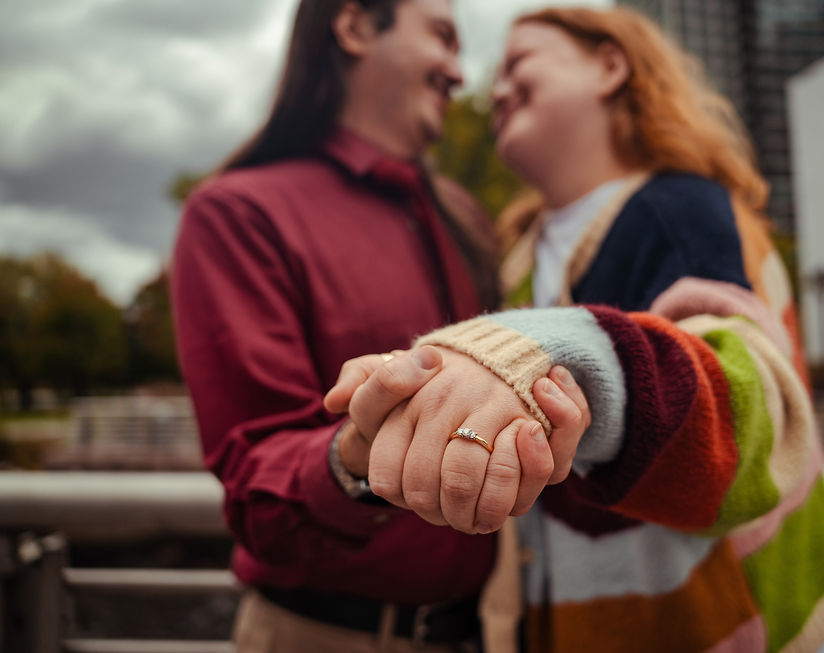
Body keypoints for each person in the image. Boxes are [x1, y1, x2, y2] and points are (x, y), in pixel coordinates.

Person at [326, 7, 824, 653]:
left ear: (610, 66)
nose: (492, 89)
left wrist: (535, 353)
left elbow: (751, 416)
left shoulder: (683, 208)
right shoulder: (520, 256)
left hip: (731, 630)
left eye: (519, 63)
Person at [170, 1, 590, 651]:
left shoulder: (468, 218)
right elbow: (256, 481)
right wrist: (354, 455)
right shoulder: (237, 212)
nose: (459, 72)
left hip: (485, 628)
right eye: (443, 37)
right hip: (321, 634)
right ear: (357, 26)